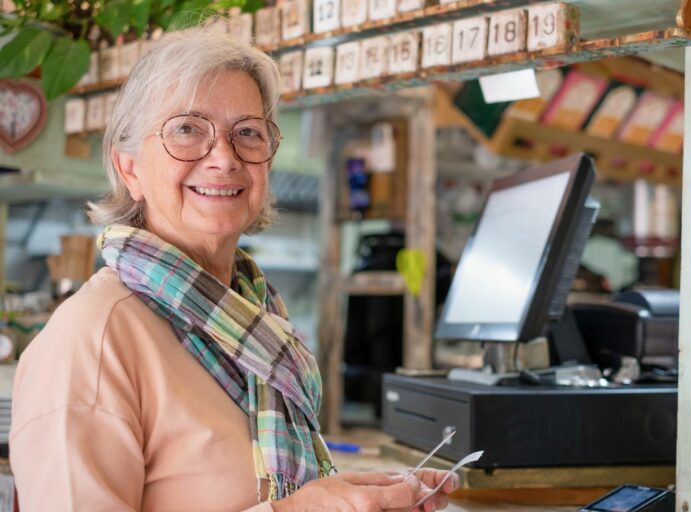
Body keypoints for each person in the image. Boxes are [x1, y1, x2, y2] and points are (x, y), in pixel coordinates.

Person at [9, 24, 457, 512]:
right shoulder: (92, 341)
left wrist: (348, 497)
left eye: (247, 132)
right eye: (186, 129)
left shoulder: (256, 316)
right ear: (129, 168)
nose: (223, 158)